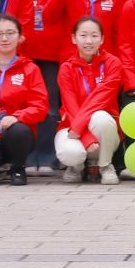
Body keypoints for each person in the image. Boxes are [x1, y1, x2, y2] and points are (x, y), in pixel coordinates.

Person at [55, 17, 127, 184]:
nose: (89, 41)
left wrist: (81, 130)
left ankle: (105, 165)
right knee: (71, 153)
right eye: (83, 35)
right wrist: (86, 137)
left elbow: (99, 100)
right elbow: (71, 107)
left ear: (102, 39)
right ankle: (76, 166)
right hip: (72, 126)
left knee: (101, 117)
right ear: (74, 38)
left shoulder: (113, 64)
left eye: (94, 36)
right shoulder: (66, 68)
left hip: (103, 130)